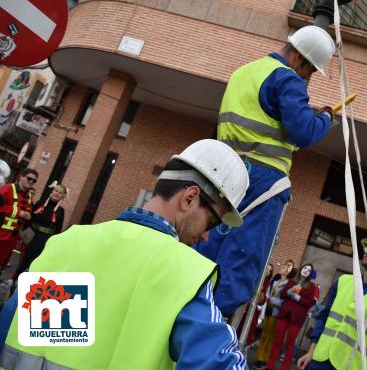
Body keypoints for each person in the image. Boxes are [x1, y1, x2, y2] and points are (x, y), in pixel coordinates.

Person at [0, 139, 251, 370]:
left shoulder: (68, 243)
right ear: (190, 198)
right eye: (211, 222)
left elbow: (13, 328)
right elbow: (218, 362)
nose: (207, 236)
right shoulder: (184, 272)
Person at [195, 25, 337, 316]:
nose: (307, 78)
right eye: (310, 71)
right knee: (242, 262)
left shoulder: (245, 72)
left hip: (225, 172)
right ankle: (210, 328)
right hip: (263, 179)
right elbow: (305, 132)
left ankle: (189, 310)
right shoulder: (288, 78)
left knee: (208, 250)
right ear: (300, 59)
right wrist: (325, 118)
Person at [297, 233, 367, 370]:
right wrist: (311, 351)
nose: (366, 251)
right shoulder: (343, 281)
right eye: (366, 247)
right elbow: (324, 317)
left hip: (351, 366)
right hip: (320, 360)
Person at [267, 263, 319, 370]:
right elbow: (282, 295)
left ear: (310, 274)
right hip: (284, 314)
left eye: (309, 270)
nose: (306, 271)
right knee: (277, 341)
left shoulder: (312, 286)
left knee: (290, 345)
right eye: (305, 268)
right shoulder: (291, 281)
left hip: (297, 319)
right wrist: (288, 292)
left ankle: (285, 368)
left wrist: (297, 297)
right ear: (301, 269)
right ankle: (270, 366)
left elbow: (310, 302)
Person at [254, 260, 297, 370]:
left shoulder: (289, 283)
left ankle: (264, 360)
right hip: (268, 309)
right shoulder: (275, 280)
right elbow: (268, 293)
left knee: (270, 336)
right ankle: (259, 357)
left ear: (291, 271)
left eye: (288, 266)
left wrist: (275, 301)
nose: (285, 267)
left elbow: (287, 300)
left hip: (276, 312)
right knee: (263, 334)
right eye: (285, 264)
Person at [17, 182, 67, 274]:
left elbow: (58, 229)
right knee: (23, 259)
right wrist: (23, 231)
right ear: (52, 191)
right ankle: (14, 281)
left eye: (60, 193)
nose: (57, 193)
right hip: (31, 234)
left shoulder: (60, 211)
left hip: (44, 239)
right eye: (56, 190)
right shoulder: (40, 202)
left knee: (35, 262)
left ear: (62, 197)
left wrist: (53, 244)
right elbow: (30, 218)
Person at [0, 168, 36, 270]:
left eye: (34, 181)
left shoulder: (29, 196)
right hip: (1, 233)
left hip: (12, 238)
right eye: (29, 178)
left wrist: (29, 215)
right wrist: (19, 212)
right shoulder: (7, 188)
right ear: (21, 177)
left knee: (2, 263)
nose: (31, 182)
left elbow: (27, 212)